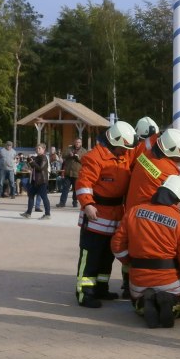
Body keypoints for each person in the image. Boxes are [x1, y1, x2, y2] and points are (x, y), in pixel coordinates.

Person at [111, 174, 180, 330]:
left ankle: (143, 302)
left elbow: (117, 246)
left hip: (138, 281)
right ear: (178, 200)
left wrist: (129, 261)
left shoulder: (134, 212)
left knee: (137, 304)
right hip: (170, 283)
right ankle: (172, 303)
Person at [75, 121, 138, 308]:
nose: (125, 151)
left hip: (115, 214)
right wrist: (87, 204)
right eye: (122, 147)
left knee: (107, 256)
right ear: (113, 142)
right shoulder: (94, 157)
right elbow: (83, 182)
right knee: (91, 255)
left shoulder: (124, 156)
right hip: (96, 214)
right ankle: (84, 293)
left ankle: (101, 288)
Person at [20, 143, 52, 219]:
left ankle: (48, 214)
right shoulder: (37, 157)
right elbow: (33, 166)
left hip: (42, 181)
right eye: (36, 148)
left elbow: (40, 168)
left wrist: (32, 162)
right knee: (31, 196)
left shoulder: (44, 157)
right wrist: (29, 160)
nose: (37, 150)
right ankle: (28, 213)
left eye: (39, 148)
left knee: (44, 197)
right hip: (35, 181)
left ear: (44, 149)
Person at [58, 138, 87, 208]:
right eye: (76, 142)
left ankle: (75, 202)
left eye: (79, 142)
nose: (77, 143)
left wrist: (78, 158)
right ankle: (62, 203)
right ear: (74, 142)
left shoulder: (84, 151)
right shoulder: (69, 148)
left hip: (77, 173)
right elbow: (63, 155)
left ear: (81, 143)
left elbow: (85, 161)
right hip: (68, 172)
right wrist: (69, 155)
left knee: (75, 189)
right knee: (65, 188)